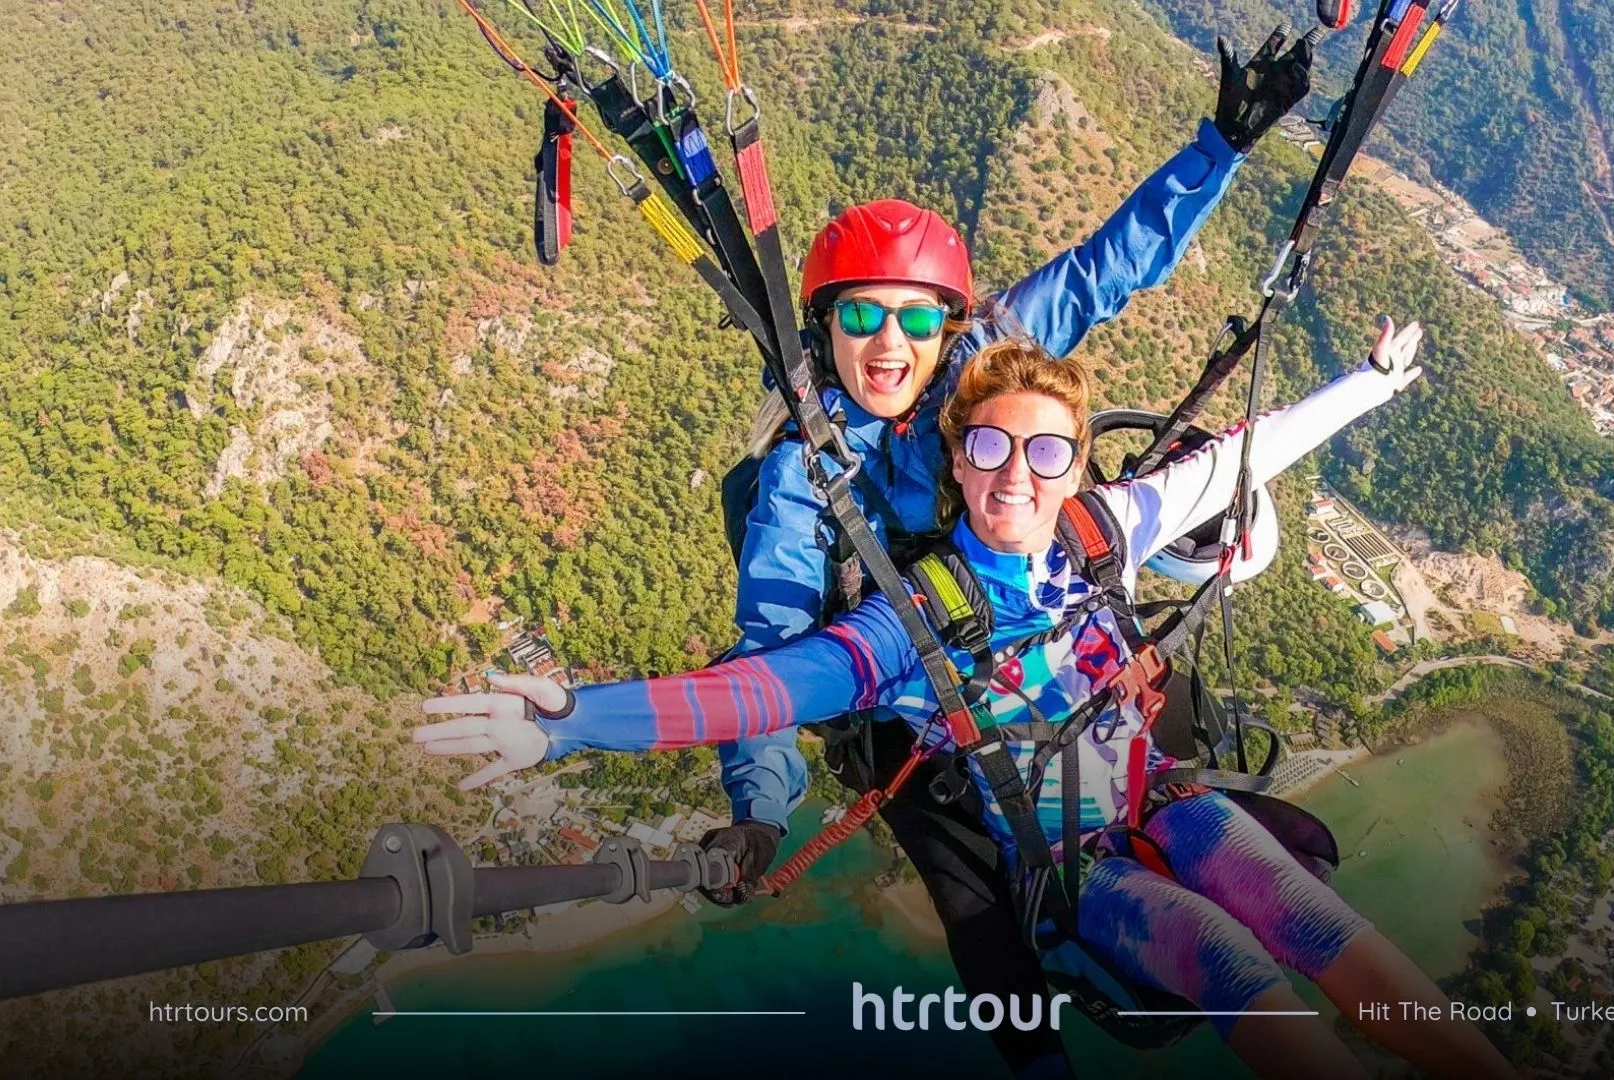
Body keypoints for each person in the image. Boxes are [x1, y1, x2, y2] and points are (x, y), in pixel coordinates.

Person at [416, 323, 1520, 1080]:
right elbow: (754, 690)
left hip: (1162, 800)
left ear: (1079, 464)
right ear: (959, 457)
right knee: (1231, 965)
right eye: (990, 445)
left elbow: (1241, 455)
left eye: (1047, 450)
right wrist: (575, 724)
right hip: (1078, 878)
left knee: (1305, 916)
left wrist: (1369, 383)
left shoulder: (1103, 530)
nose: (1017, 473)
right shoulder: (911, 624)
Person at [705, 23, 1316, 1079]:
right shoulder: (807, 477)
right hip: (911, 701)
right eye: (863, 317)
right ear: (824, 328)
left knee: (1161, 751)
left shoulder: (983, 359)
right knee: (978, 905)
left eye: (916, 318)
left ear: (952, 324)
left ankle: (1210, 892)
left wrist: (1222, 145)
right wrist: (759, 813)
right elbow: (771, 644)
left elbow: (1106, 268)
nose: (891, 345)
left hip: (1037, 626)